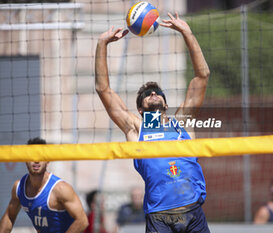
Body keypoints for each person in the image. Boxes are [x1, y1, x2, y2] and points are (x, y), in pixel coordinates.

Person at [95, 12, 210, 233]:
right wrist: (102, 44)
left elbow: (202, 76)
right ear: (140, 108)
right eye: (147, 94)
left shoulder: (182, 122)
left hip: (193, 213)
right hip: (159, 218)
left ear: (166, 105)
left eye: (158, 92)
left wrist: (187, 33)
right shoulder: (136, 127)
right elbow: (103, 90)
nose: (153, 93)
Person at [0, 137, 88, 233]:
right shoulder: (19, 187)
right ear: (25, 160)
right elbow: (9, 216)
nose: (36, 160)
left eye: (40, 156)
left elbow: (82, 221)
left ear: (47, 160)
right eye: (32, 156)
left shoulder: (60, 189)